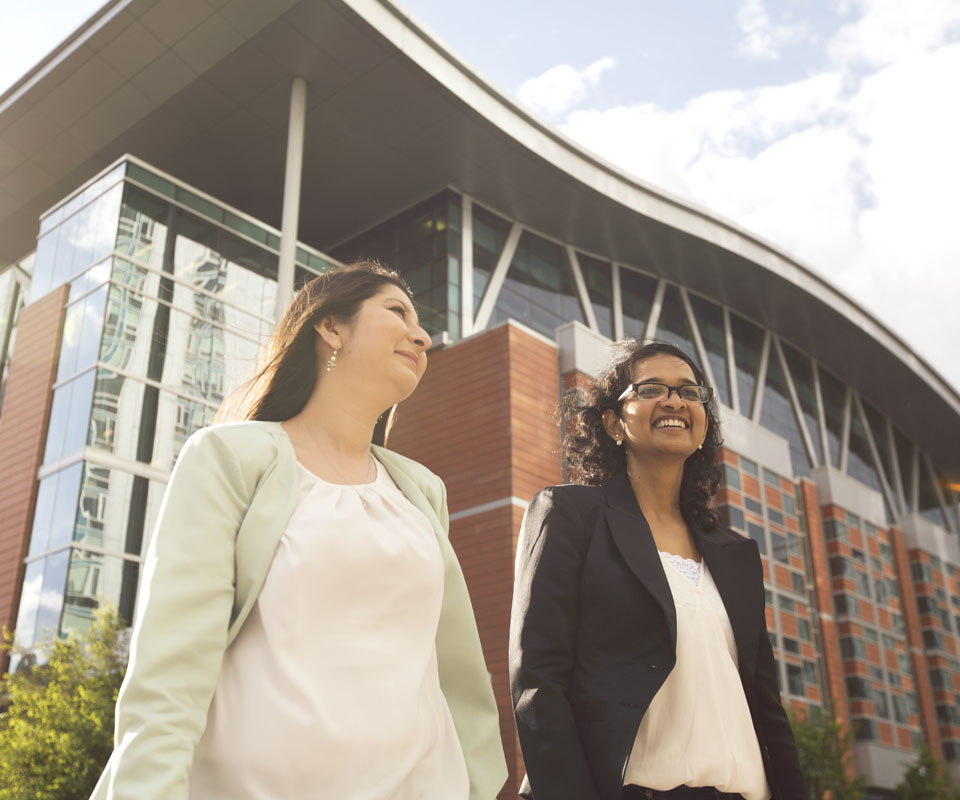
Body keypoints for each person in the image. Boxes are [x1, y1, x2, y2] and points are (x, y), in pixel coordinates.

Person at [91, 261, 507, 800]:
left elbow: (449, 668)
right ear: (331, 327)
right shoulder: (229, 458)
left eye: (419, 322)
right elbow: (170, 670)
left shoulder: (421, 490)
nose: (422, 335)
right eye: (396, 311)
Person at [509, 339, 804, 800]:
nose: (674, 400)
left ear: (704, 423)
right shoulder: (570, 514)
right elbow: (538, 682)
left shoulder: (737, 554)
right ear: (613, 423)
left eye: (689, 391)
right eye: (650, 389)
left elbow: (767, 707)